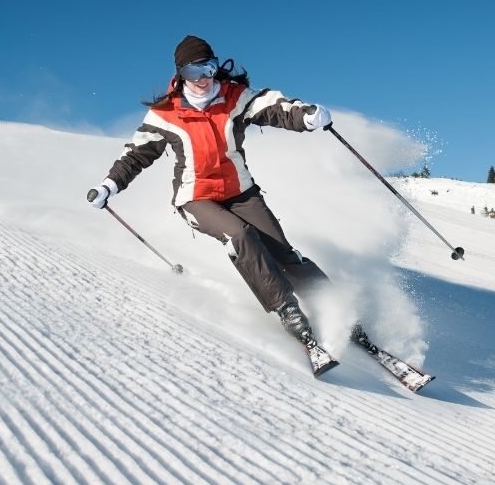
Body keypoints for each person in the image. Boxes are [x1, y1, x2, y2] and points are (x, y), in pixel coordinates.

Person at [86, 35, 333, 345]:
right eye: (193, 72)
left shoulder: (235, 98)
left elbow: (273, 107)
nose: (202, 79)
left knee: (282, 251)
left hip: (241, 192)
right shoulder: (165, 114)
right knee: (240, 235)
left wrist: (305, 115)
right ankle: (288, 310)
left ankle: (331, 302)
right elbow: (136, 154)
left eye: (209, 68)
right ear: (180, 75)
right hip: (196, 198)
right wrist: (109, 185)